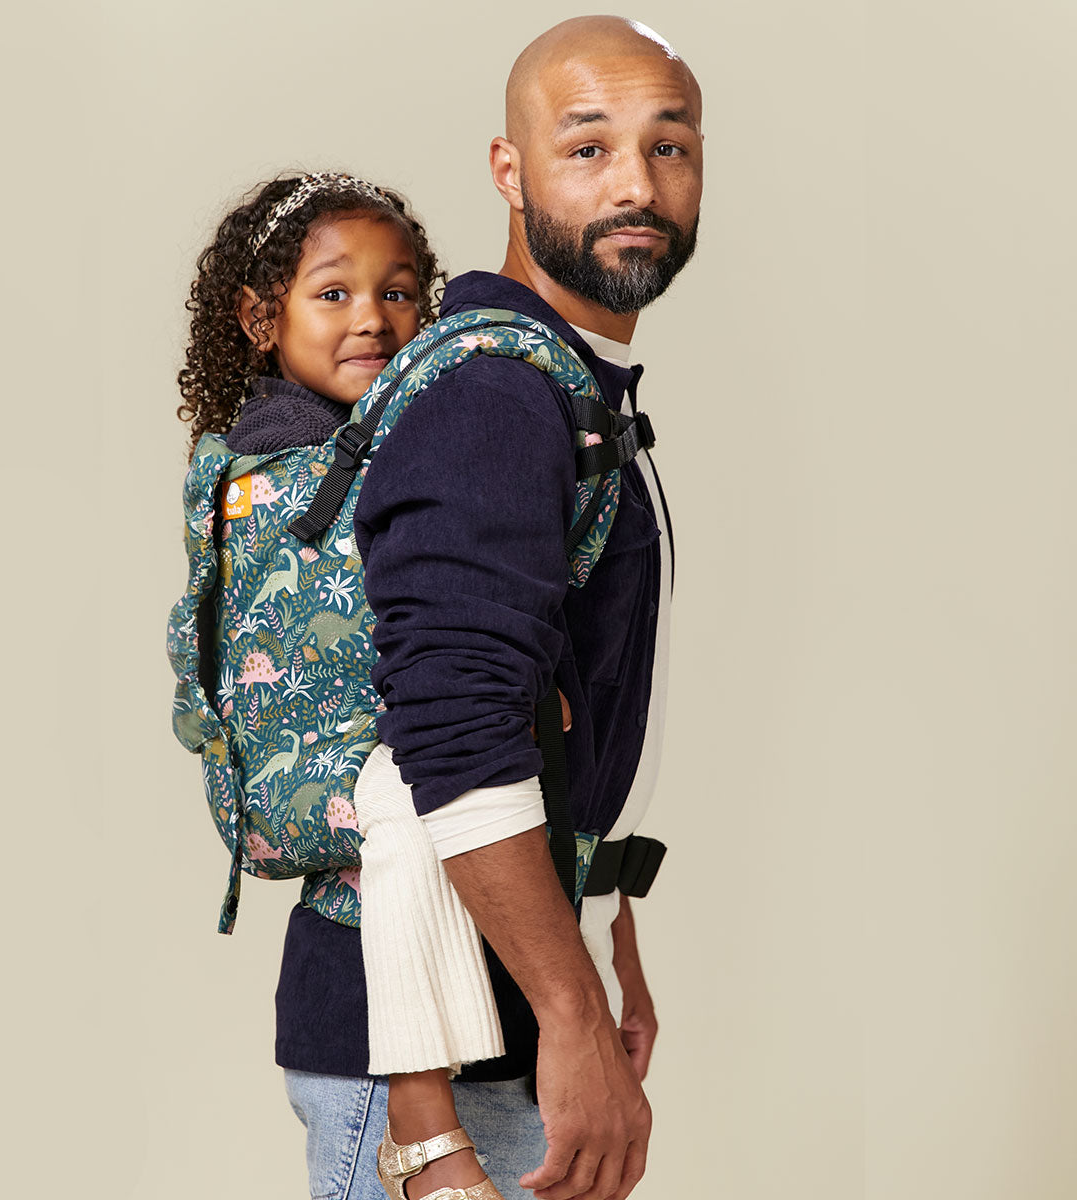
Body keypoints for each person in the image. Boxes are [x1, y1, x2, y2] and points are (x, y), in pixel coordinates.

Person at [275, 15, 704, 1200]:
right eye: (587, 148)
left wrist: (608, 943)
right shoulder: (498, 395)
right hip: (444, 1051)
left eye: (669, 146)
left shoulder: (559, 384)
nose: (635, 183)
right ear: (510, 173)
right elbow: (453, 728)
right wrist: (568, 1011)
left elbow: (568, 710)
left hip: (496, 1001)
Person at [176, 169, 557, 1200]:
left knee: (424, 793)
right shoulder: (287, 458)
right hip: (339, 831)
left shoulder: (367, 443)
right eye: (334, 293)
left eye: (399, 293)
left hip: (487, 1008)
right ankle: (421, 1112)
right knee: (414, 790)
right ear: (261, 319)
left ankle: (433, 1109)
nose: (375, 319)